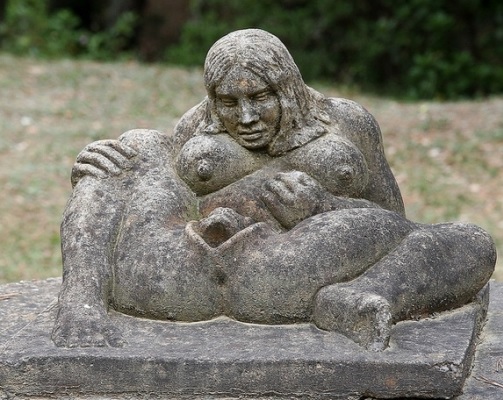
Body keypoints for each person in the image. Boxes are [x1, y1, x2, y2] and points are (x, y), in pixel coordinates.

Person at [52, 29, 495, 351]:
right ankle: (81, 302)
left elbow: (395, 220)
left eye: (260, 97)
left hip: (296, 265)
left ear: (287, 87)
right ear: (212, 98)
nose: (245, 117)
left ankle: (362, 298)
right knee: (125, 153)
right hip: (181, 270)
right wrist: (104, 164)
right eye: (227, 102)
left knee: (470, 242)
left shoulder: (346, 123)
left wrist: (326, 204)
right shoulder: (194, 128)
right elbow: (161, 191)